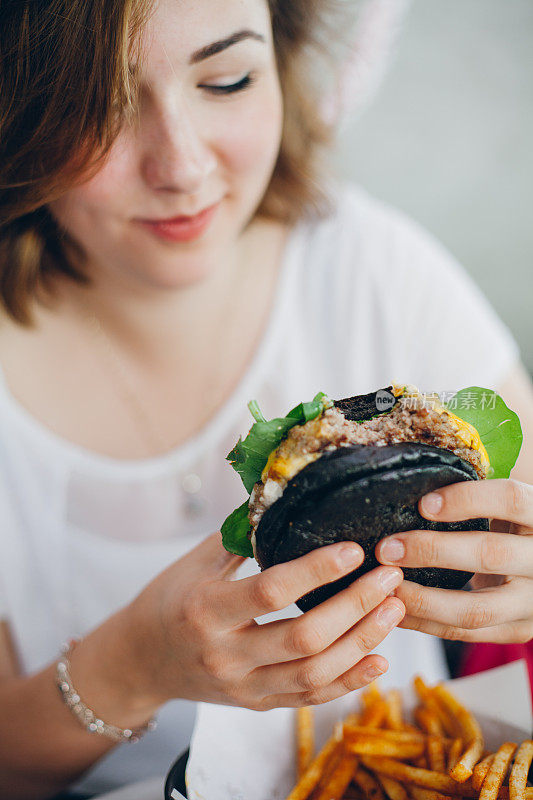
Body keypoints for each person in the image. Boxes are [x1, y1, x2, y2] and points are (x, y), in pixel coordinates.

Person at [0, 0, 532, 797]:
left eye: (227, 79)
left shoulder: (374, 269)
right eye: (94, 107)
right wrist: (136, 664)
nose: (179, 167)